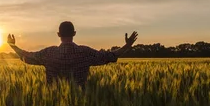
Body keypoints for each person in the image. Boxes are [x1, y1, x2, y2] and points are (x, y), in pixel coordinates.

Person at [7, 21, 138, 88]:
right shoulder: (85, 52)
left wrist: (13, 46)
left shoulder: (49, 53)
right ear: (74, 33)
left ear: (58, 34)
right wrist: (127, 45)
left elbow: (27, 57)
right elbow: (110, 56)